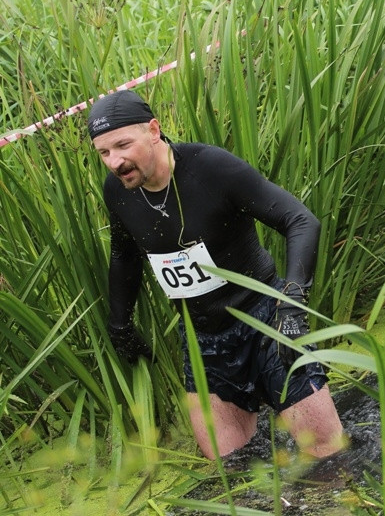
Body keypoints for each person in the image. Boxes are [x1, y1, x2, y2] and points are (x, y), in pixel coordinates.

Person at [88, 90, 344, 460]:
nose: (115, 161)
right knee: (231, 471)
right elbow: (124, 254)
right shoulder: (118, 190)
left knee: (327, 456)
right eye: (104, 153)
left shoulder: (211, 168)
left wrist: (292, 304)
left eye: (122, 145)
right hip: (202, 339)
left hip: (266, 323)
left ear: (154, 130)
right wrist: (120, 325)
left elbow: (300, 220)